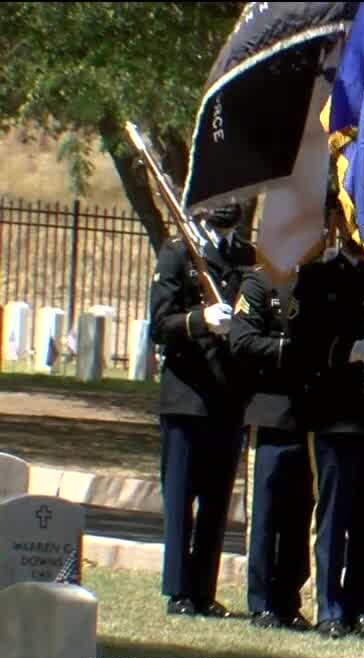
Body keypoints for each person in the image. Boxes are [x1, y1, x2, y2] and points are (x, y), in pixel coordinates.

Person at [148, 202, 255, 618]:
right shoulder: (178, 252)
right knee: (181, 497)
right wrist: (200, 320)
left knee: (215, 500)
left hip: (229, 396)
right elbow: (160, 324)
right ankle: (179, 591)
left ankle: (204, 591)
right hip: (188, 395)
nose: (230, 204)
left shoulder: (246, 257)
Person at [290, 188, 364, 640]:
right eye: (362, 215)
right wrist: (347, 351)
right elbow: (304, 345)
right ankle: (329, 608)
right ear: (341, 220)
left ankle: (359, 609)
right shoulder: (317, 277)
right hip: (335, 413)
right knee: (333, 517)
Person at [230, 262, 315, 632]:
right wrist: (290, 350)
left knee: (299, 517)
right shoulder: (259, 280)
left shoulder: (318, 280)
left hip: (310, 415)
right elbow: (242, 340)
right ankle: (262, 601)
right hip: (270, 412)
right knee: (265, 514)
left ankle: (288, 600)